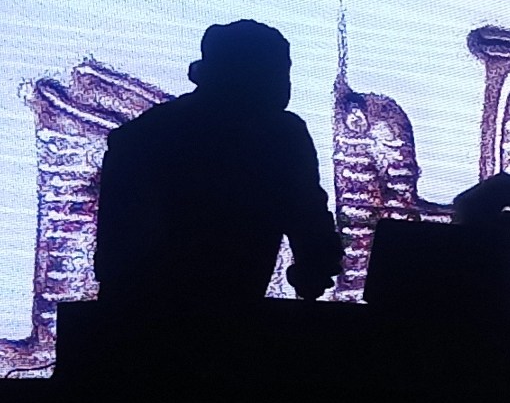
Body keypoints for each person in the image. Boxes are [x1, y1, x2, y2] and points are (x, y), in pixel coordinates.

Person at [94, 20, 342, 304]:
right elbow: (310, 226)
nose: (284, 84)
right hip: (221, 315)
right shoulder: (280, 136)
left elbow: (115, 251)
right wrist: (313, 269)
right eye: (277, 72)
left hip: (133, 314)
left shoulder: (142, 134)